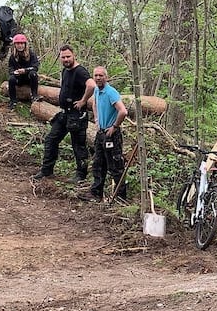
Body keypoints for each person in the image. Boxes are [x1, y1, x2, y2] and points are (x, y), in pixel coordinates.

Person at [32, 45, 95, 183]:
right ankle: (46, 171)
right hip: (64, 114)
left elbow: (91, 85)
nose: (66, 59)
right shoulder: (65, 71)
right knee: (51, 139)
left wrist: (83, 101)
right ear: (60, 57)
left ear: (74, 56)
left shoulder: (80, 71)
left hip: (77, 115)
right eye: (63, 57)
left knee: (78, 145)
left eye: (68, 56)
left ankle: (81, 175)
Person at [84, 67, 128, 202]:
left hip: (112, 135)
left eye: (101, 75)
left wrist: (114, 127)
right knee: (98, 163)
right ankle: (96, 193)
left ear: (106, 77)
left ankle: (120, 197)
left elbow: (123, 111)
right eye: (96, 75)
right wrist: (97, 120)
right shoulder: (97, 90)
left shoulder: (111, 92)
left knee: (115, 166)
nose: (98, 78)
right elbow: (94, 104)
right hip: (101, 133)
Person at [7, 34, 40, 109]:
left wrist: (25, 70)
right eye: (18, 44)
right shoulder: (13, 56)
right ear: (15, 45)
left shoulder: (31, 54)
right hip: (19, 79)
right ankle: (13, 101)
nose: (20, 46)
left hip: (29, 78)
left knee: (33, 74)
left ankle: (34, 96)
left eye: (22, 43)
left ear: (25, 44)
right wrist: (14, 72)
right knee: (11, 79)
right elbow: (10, 68)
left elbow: (35, 67)